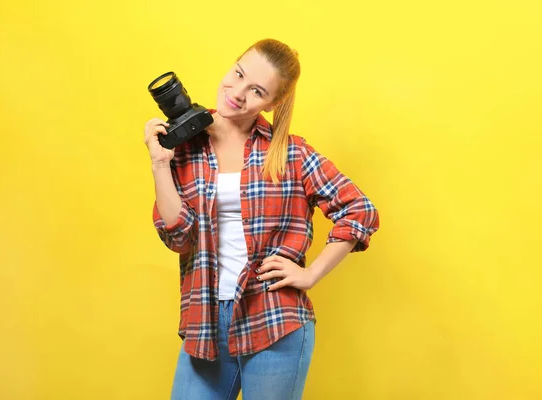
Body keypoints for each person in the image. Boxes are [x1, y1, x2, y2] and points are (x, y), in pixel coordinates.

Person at [143, 38, 380, 400]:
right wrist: (160, 163)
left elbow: (359, 210)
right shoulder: (185, 147)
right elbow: (179, 238)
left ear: (273, 103)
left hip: (274, 321)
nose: (237, 93)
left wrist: (310, 274)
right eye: (237, 74)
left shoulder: (291, 154)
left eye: (256, 91)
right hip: (205, 321)